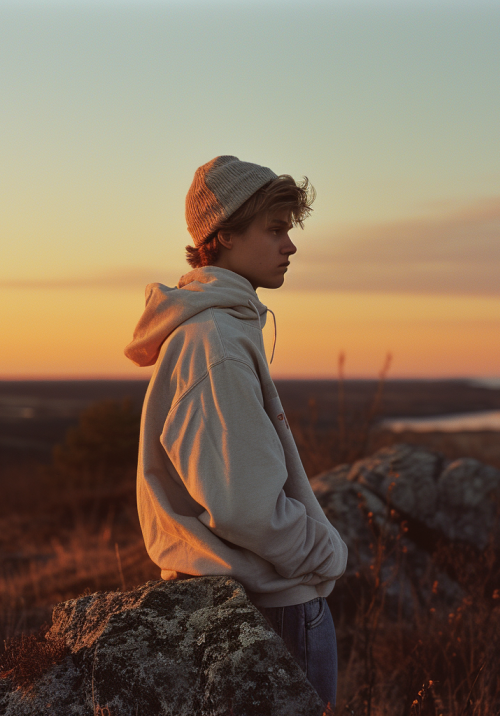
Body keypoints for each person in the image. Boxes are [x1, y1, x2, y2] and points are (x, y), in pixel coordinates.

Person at [124, 155, 348, 708]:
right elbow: (246, 505)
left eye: (289, 230)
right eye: (275, 230)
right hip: (273, 608)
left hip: (245, 599)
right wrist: (324, 554)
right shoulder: (216, 342)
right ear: (222, 237)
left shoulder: (217, 328)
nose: (290, 246)